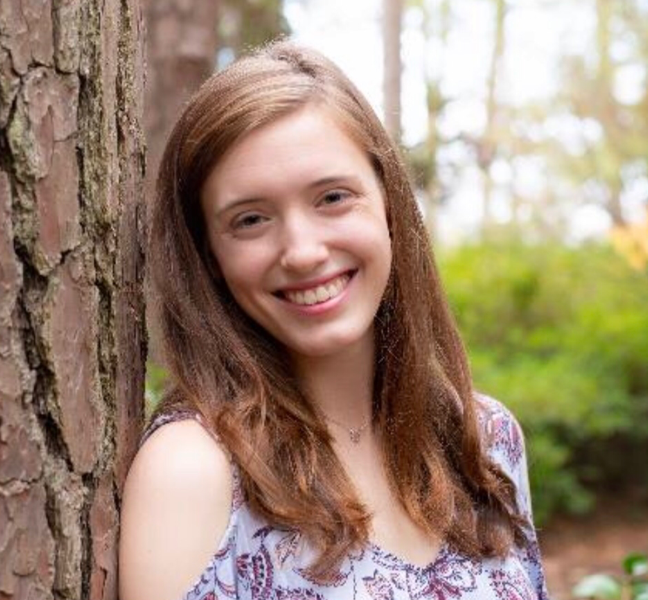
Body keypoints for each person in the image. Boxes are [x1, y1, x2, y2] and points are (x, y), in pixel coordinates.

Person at [119, 41, 549, 600]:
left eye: (332, 197)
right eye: (250, 219)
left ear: (390, 205)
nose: (301, 251)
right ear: (210, 258)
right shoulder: (193, 474)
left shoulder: (486, 440)